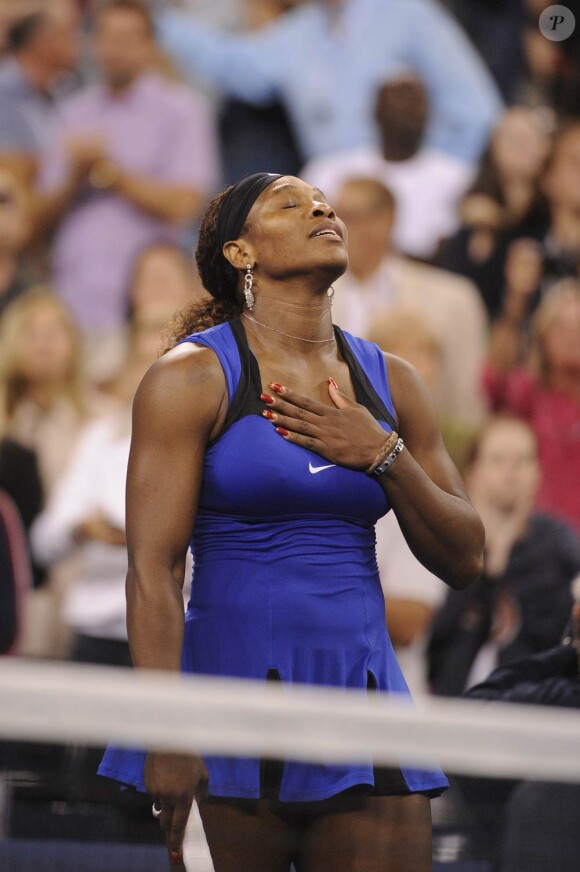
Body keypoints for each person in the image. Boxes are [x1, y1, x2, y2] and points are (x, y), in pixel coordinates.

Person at [98, 172, 485, 871]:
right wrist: (164, 725)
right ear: (241, 252)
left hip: (365, 704)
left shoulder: (392, 383)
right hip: (228, 702)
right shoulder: (189, 378)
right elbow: (152, 568)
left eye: (326, 204)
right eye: (291, 202)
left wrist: (384, 455)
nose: (321, 208)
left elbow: (466, 557)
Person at [35, 0, 219, 348]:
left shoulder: (181, 110)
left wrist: (110, 172)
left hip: (145, 306)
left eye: (126, 39)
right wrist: (75, 177)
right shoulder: (74, 112)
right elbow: (38, 216)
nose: (113, 49)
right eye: (106, 38)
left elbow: (185, 204)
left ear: (150, 46)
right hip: (73, 295)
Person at [154, 0, 502, 166]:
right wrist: (158, 23)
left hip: (405, 197)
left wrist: (426, 176)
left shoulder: (408, 14)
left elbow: (476, 110)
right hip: (331, 203)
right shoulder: (300, 31)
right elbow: (236, 64)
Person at [428, 416, 580, 697]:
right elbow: (438, 646)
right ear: (472, 472)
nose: (511, 471)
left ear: (538, 472)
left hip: (530, 712)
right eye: (498, 459)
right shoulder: (443, 545)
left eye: (523, 460)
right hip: (452, 708)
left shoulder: (560, 548)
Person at [330, 177, 488, 426]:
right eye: (334, 217)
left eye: (353, 216)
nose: (340, 228)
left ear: (387, 219)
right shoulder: (307, 299)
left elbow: (467, 399)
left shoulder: (453, 299)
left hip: (427, 446)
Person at [302, 74, 475, 259]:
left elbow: (449, 250)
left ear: (428, 114)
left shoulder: (457, 178)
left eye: (414, 105)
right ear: (375, 112)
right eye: (397, 102)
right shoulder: (329, 171)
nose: (406, 113)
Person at [483, 279, 580, 530]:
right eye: (562, 328)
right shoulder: (528, 391)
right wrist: (515, 304)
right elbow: (494, 379)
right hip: (536, 535)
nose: (572, 337)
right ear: (543, 335)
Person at [0, 0, 80, 186]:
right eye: (67, 33)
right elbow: (10, 165)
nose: (77, 41)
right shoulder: (3, 91)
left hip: (62, 199)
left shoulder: (66, 88)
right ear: (42, 40)